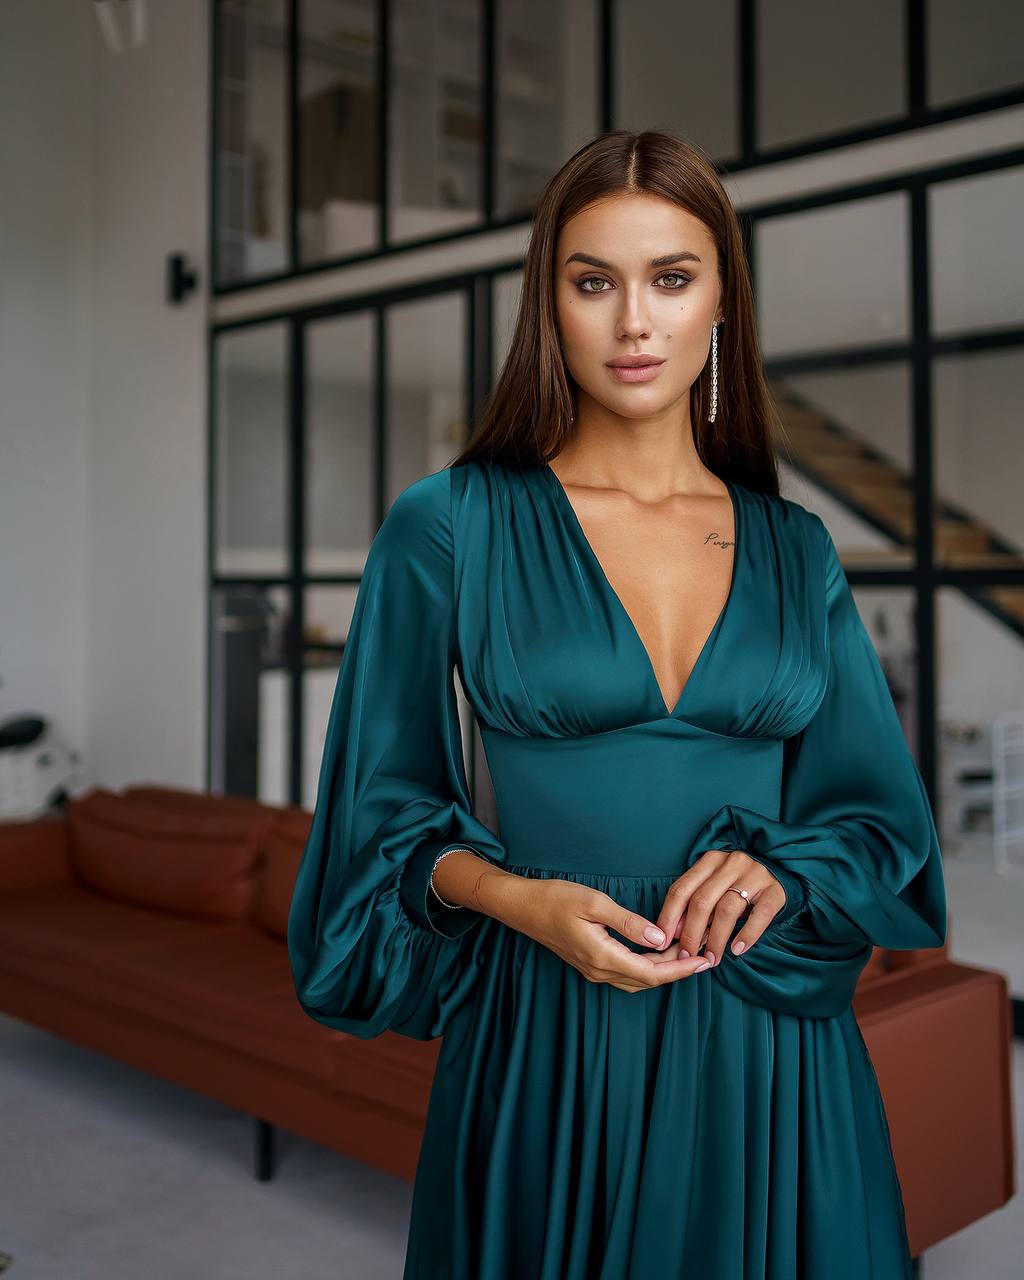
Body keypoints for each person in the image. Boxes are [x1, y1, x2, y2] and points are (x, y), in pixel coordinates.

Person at [287, 129, 948, 1279]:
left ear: (721, 306)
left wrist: (787, 869)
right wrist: (515, 897)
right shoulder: (450, 522)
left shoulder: (797, 548)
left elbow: (882, 826)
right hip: (548, 1032)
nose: (633, 322)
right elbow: (375, 811)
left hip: (773, 1047)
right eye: (593, 282)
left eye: (671, 279)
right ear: (550, 305)